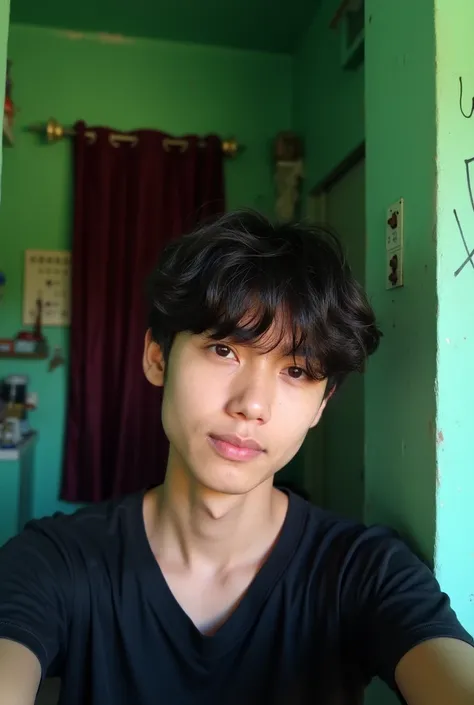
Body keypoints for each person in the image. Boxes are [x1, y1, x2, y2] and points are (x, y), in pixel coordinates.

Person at [0, 211, 472, 705]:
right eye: (224, 350)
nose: (252, 404)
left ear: (322, 404)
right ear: (157, 357)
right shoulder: (54, 562)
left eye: (295, 370)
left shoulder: (364, 572)